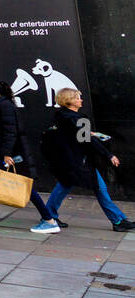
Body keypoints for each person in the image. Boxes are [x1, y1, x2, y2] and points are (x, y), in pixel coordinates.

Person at [0, 77, 57, 231]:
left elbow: (10, 132)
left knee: (26, 187)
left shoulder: (5, 106)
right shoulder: (0, 105)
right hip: (4, 153)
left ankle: (49, 220)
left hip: (12, 155)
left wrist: (7, 155)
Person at [39, 87, 133, 233]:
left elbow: (75, 136)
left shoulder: (61, 116)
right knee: (99, 188)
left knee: (64, 185)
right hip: (79, 162)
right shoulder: (78, 118)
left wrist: (87, 133)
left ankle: (49, 215)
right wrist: (109, 155)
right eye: (77, 98)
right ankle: (118, 220)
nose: (81, 100)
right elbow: (88, 141)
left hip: (67, 160)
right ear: (69, 101)